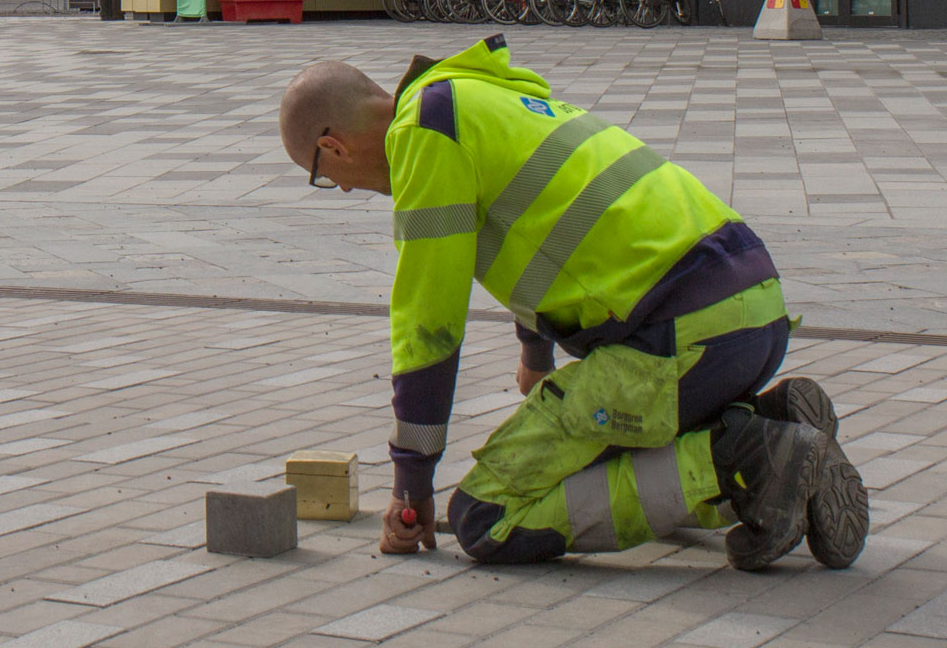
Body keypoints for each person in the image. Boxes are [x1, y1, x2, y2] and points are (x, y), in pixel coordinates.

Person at [280, 35, 866, 572]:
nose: (347, 188)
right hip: (750, 308)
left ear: (331, 146)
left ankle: (750, 461)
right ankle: (776, 429)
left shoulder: (421, 136)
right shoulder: (473, 95)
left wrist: (411, 483)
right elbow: (540, 221)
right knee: (595, 463)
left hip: (675, 338)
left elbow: (427, 325)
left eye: (325, 176)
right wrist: (536, 352)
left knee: (486, 518)